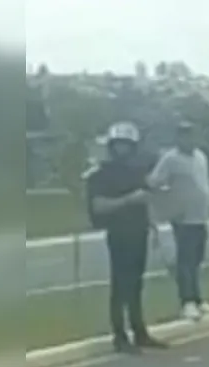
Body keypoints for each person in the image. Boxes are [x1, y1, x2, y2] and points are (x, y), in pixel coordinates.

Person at [86, 122, 169, 354]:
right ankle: (119, 336)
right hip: (119, 234)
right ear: (112, 147)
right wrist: (128, 200)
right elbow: (98, 206)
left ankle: (140, 332)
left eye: (127, 145)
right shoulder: (101, 174)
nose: (123, 150)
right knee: (120, 287)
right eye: (119, 145)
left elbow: (146, 200)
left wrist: (152, 225)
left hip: (139, 232)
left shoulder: (138, 173)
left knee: (136, 285)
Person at [146, 121, 209, 321]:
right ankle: (186, 301)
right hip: (183, 218)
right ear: (178, 138)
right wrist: (169, 201)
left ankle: (198, 299)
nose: (189, 139)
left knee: (196, 260)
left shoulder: (200, 157)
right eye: (184, 135)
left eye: (192, 135)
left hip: (200, 216)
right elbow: (154, 182)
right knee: (185, 261)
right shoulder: (170, 159)